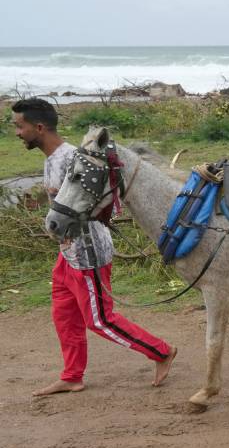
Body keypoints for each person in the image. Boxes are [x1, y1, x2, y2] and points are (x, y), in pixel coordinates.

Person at [11, 98, 176, 396]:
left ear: (38, 127)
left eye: (19, 126)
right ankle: (73, 376)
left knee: (100, 319)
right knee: (64, 316)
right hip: (67, 254)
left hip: (88, 253)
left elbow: (109, 206)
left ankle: (161, 351)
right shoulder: (52, 159)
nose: (17, 133)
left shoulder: (77, 159)